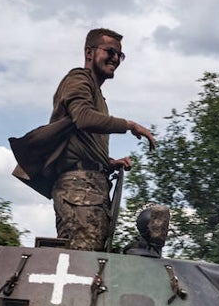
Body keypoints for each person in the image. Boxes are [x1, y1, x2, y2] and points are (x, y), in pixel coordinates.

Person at [43, 28, 156, 250]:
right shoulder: (78, 79)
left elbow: (79, 138)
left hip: (88, 188)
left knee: (91, 258)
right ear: (89, 53)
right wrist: (129, 125)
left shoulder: (95, 92)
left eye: (120, 55)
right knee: (83, 263)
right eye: (110, 51)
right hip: (79, 189)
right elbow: (83, 118)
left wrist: (107, 162)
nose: (115, 58)